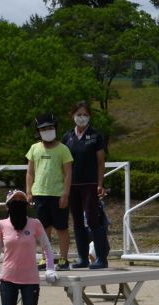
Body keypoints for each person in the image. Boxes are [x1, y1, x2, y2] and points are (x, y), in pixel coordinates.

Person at [62, 101, 110, 269]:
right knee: (77, 221)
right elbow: (63, 163)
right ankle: (82, 257)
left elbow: (100, 162)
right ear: (73, 115)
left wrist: (100, 183)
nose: (81, 117)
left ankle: (101, 258)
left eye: (85, 114)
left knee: (93, 220)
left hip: (90, 184)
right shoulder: (67, 137)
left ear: (89, 116)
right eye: (79, 114)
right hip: (72, 184)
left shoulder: (96, 136)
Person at [26, 113, 73, 270]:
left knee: (61, 227)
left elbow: (68, 173)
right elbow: (30, 172)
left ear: (56, 128)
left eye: (50, 127)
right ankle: (46, 258)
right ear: (38, 131)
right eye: (44, 128)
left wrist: (65, 193)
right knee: (43, 228)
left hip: (58, 194)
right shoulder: (34, 148)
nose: (47, 131)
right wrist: (28, 191)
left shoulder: (63, 149)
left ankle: (63, 258)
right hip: (39, 193)